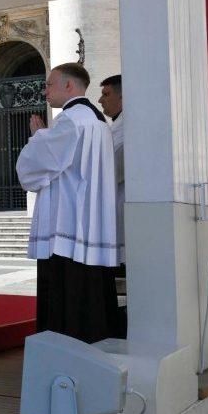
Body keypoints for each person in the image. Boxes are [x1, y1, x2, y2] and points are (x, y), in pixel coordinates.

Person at [16, 62, 120, 343]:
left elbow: (36, 166)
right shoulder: (97, 120)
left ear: (69, 85)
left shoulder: (70, 120)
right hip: (90, 223)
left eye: (50, 84)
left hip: (67, 225)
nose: (45, 91)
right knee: (91, 296)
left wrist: (38, 137)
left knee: (65, 298)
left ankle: (61, 352)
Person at [98, 74, 125, 271]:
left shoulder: (125, 128)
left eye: (106, 94)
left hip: (122, 208)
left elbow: (109, 169)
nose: (100, 100)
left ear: (123, 96)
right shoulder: (117, 125)